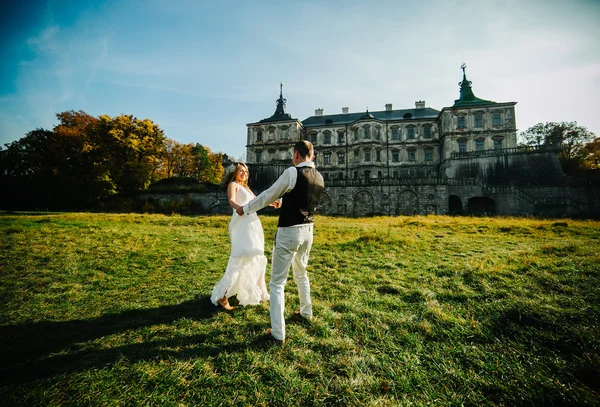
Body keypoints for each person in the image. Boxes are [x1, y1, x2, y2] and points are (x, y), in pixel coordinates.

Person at [236, 140, 324, 343]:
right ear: (312, 156)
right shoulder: (319, 177)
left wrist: (246, 208)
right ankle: (306, 313)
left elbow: (268, 194)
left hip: (289, 231)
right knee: (301, 274)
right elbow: (305, 201)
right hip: (308, 231)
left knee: (277, 284)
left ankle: (277, 334)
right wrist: (284, 203)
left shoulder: (292, 173)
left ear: (296, 155)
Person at [210, 162, 277, 310]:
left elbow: (259, 201)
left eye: (246, 172)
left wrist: (273, 203)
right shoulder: (233, 185)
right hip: (242, 222)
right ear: (235, 172)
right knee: (242, 256)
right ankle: (222, 296)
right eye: (241, 171)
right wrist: (239, 208)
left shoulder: (247, 188)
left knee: (258, 256)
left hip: (253, 223)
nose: (244, 174)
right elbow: (231, 200)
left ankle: (259, 291)